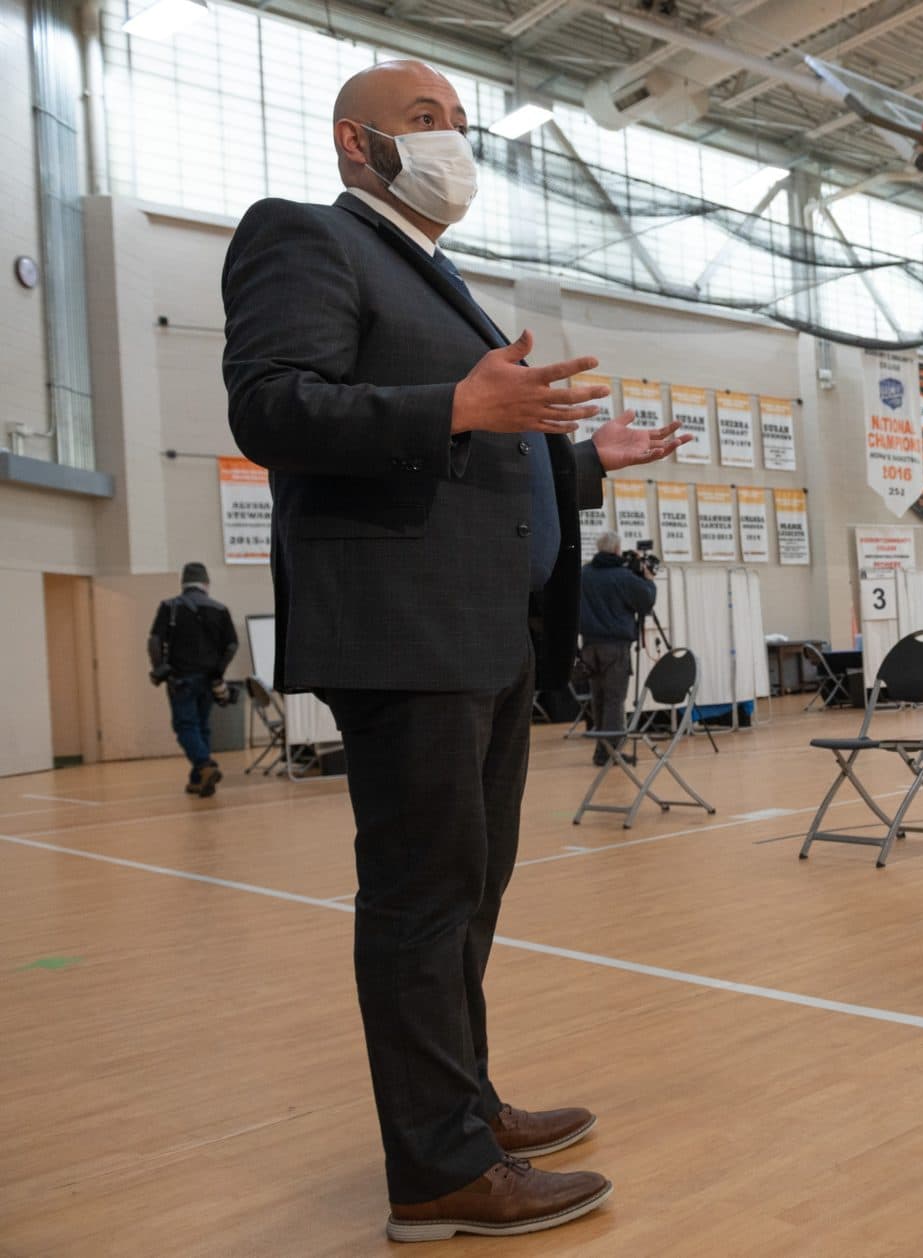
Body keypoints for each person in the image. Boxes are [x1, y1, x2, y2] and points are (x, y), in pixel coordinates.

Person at [222, 60, 689, 1243]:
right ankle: (436, 1172)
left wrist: (588, 463)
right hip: (405, 626)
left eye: (458, 124)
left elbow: (481, 447)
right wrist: (455, 406)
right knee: (425, 902)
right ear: (355, 143)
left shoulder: (434, 273)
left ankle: (464, 1109)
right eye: (426, 121)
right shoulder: (304, 238)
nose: (452, 141)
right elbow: (272, 406)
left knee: (471, 893)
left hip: (482, 632)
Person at [147, 561, 239, 798]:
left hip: (181, 679)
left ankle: (205, 765)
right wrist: (219, 671)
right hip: (209, 680)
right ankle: (198, 779)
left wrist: (160, 668)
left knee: (185, 726)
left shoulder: (170, 607)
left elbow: (154, 640)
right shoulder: (220, 609)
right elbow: (231, 645)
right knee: (202, 726)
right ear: (206, 583)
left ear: (183, 583)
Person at [577, 532, 657, 764]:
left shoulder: (584, 574)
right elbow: (646, 600)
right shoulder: (622, 576)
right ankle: (610, 752)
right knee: (614, 699)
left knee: (598, 698)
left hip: (590, 646)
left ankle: (601, 750)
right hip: (615, 647)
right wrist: (648, 579)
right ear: (616, 550)